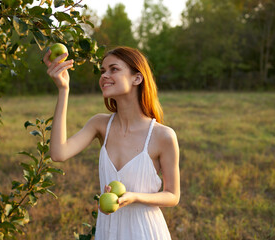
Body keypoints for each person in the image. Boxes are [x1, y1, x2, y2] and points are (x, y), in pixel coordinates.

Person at [43, 46, 180, 240]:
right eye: (102, 71)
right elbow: (58, 154)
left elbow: (172, 195)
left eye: (113, 69)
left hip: (145, 232)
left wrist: (134, 197)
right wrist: (63, 90)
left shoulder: (163, 136)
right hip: (108, 232)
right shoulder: (100, 124)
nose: (104, 76)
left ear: (137, 78)